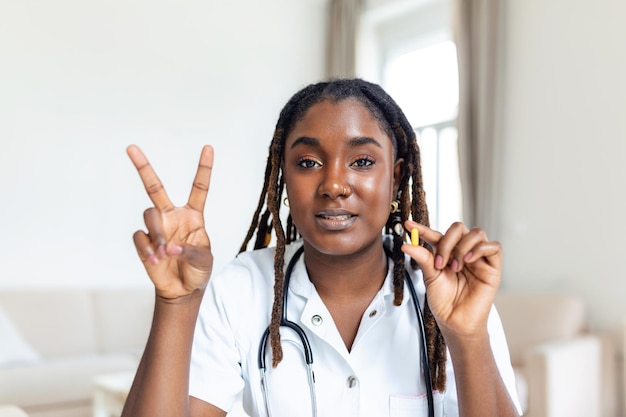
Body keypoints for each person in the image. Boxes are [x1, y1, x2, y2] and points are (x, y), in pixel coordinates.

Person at [122, 78, 522, 417]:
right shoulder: (241, 288)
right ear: (283, 180)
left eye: (362, 161)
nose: (333, 184)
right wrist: (176, 304)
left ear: (395, 178)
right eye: (309, 162)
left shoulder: (449, 292)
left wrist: (468, 336)